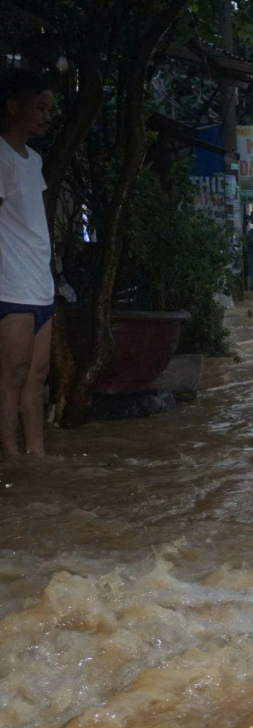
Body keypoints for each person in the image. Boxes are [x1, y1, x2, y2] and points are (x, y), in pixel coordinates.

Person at [0, 71, 55, 459]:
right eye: (39, 108)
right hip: (10, 286)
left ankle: (36, 455)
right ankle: (11, 457)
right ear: (13, 107)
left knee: (37, 375)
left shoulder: (33, 159)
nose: (46, 116)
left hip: (40, 284)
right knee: (12, 376)